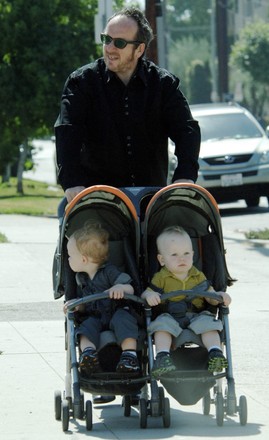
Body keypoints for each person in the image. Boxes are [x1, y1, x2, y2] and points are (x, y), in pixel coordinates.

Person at [55, 6, 200, 210]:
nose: (110, 48)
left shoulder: (164, 84)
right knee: (84, 242)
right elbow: (68, 132)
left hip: (151, 203)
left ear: (139, 49)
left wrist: (184, 178)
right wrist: (72, 182)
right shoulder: (81, 82)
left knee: (177, 241)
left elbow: (187, 131)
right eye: (107, 39)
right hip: (96, 202)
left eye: (120, 43)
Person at [142, 226, 232, 378]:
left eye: (186, 254)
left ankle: (215, 353)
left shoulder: (198, 276)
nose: (181, 258)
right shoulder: (161, 277)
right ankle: (163, 357)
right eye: (174, 255)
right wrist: (149, 297)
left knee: (209, 324)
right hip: (169, 316)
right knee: (160, 326)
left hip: (196, 315)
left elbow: (210, 295)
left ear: (192, 255)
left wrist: (219, 296)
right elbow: (147, 292)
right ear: (162, 260)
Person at [64, 222, 140, 376]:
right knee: (84, 329)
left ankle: (129, 355)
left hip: (115, 311)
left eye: (70, 256)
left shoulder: (109, 271)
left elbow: (130, 287)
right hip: (95, 316)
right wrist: (77, 306)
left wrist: (120, 288)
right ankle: (88, 353)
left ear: (84, 260)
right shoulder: (81, 278)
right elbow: (85, 303)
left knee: (124, 320)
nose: (68, 259)